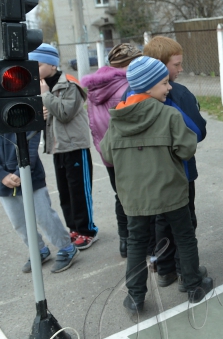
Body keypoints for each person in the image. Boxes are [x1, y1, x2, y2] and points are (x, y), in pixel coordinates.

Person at [100, 56, 213, 317]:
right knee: (184, 236)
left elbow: (107, 153)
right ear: (149, 87)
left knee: (137, 242)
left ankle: (135, 297)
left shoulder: (117, 118)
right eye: (164, 83)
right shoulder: (169, 115)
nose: (169, 87)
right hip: (171, 189)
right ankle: (194, 285)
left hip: (134, 196)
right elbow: (187, 149)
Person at [0, 104, 79, 273]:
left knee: (43, 215)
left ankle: (66, 247)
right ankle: (39, 250)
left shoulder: (23, 106)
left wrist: (21, 171)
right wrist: (1, 174)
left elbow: (32, 141)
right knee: (18, 222)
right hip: (3, 180)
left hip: (29, 174)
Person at [142, 36, 206, 291]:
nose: (180, 69)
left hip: (151, 176)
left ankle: (165, 270)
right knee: (185, 222)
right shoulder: (177, 93)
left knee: (161, 221)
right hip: (181, 172)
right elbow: (198, 132)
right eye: (176, 64)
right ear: (160, 65)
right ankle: (186, 271)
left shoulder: (132, 93)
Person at [30, 43, 99, 250]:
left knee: (79, 191)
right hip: (58, 147)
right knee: (65, 192)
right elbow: (48, 113)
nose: (35, 70)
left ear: (51, 65)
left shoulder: (68, 84)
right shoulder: (43, 86)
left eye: (38, 64)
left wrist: (45, 96)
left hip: (75, 146)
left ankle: (87, 231)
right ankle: (74, 229)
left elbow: (65, 112)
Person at [81, 43, 142, 258]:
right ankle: (137, 242)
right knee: (138, 197)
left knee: (120, 195)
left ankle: (124, 241)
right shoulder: (127, 85)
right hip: (129, 152)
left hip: (107, 151)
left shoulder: (95, 88)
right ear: (129, 64)